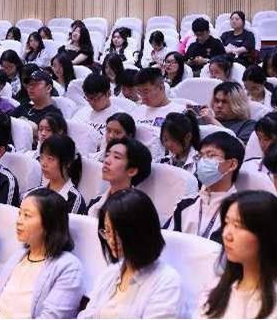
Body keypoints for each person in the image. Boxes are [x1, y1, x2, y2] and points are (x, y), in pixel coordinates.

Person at [196, 190, 277, 318]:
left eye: (238, 226)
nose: (226, 235)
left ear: (266, 234)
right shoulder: (217, 287)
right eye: (226, 223)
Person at [0, 189, 84, 319]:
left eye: (27, 215)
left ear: (49, 223)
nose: (18, 221)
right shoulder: (18, 256)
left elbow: (52, 317)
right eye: (19, 214)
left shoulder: (69, 267)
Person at [79, 188, 184, 318]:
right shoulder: (110, 274)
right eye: (108, 231)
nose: (111, 240)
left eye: (118, 232)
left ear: (141, 232)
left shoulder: (167, 282)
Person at [167, 131, 244, 242]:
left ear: (232, 164)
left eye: (211, 155)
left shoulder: (242, 210)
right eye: (200, 156)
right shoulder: (185, 203)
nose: (202, 162)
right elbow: (168, 243)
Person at [87, 137, 152, 218]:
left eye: (116, 157)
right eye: (107, 155)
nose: (106, 161)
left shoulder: (138, 209)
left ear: (132, 171)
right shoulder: (96, 202)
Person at [130, 67, 187, 156]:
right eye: (139, 92)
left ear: (161, 88)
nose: (142, 97)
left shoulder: (180, 112)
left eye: (146, 92)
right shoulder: (137, 111)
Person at [28, 135, 86, 214]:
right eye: (41, 157)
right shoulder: (34, 192)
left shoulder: (73, 200)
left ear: (68, 163)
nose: (43, 164)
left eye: (50, 159)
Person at [71, 73, 126, 155]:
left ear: (108, 94)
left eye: (96, 98)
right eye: (89, 98)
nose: (92, 102)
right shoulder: (81, 113)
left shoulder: (119, 117)